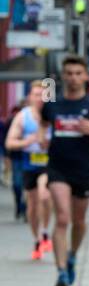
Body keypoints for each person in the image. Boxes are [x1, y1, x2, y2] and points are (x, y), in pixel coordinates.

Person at [41, 56, 89, 286]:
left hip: (83, 169)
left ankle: (73, 255)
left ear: (85, 76)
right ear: (63, 76)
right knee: (62, 217)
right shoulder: (53, 103)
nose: (73, 77)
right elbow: (44, 123)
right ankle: (62, 271)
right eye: (69, 73)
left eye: (78, 73)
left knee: (79, 221)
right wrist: (43, 138)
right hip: (57, 168)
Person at [6, 87, 52, 259]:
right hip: (29, 164)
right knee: (32, 206)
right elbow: (10, 142)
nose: (40, 98)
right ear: (30, 97)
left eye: (43, 95)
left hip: (49, 164)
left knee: (44, 195)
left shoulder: (53, 115)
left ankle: (46, 231)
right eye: (36, 94)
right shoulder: (23, 116)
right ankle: (37, 239)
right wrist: (27, 141)